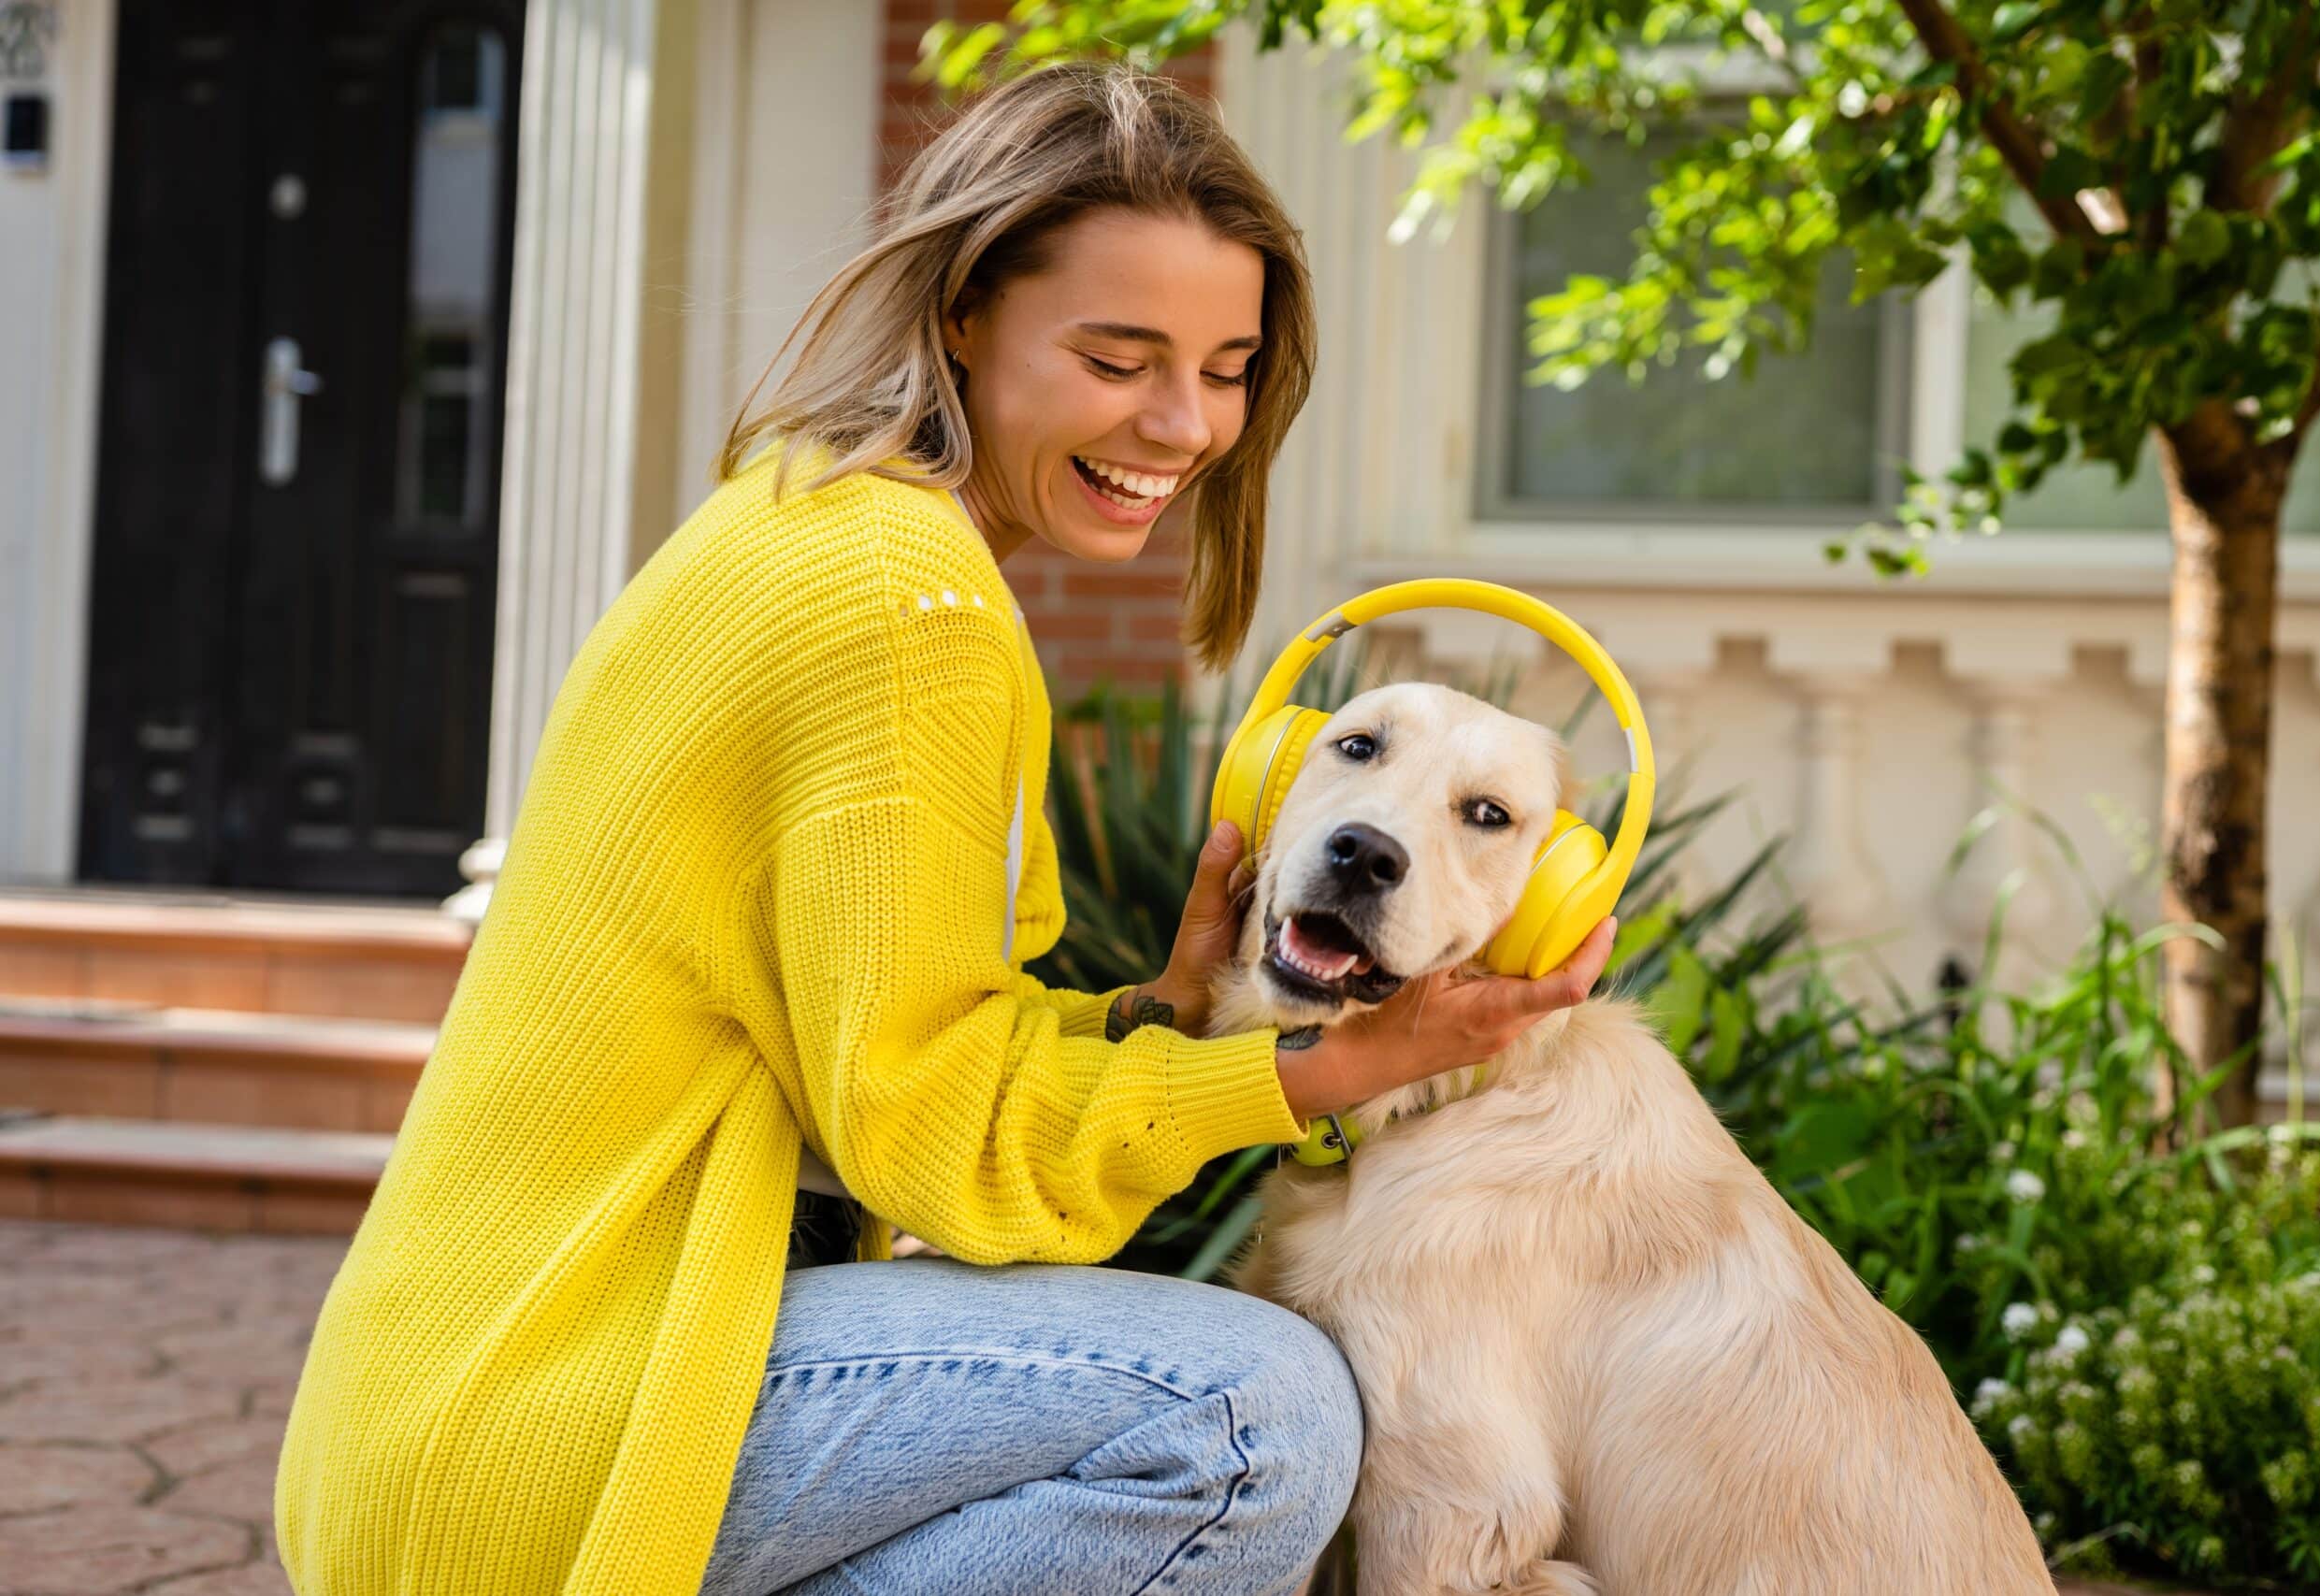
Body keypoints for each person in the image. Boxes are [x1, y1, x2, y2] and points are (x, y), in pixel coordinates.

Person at [275, 61, 1616, 1596]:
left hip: (471, 1392)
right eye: (1121, 358)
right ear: (966, 315)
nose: (1184, 425)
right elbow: (937, 1156)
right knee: (1252, 1411)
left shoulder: (810, 514)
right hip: (563, 1410)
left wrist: (1163, 1024)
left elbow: (895, 1059)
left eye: (1229, 366)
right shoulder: (903, 605)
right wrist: (1323, 1067)